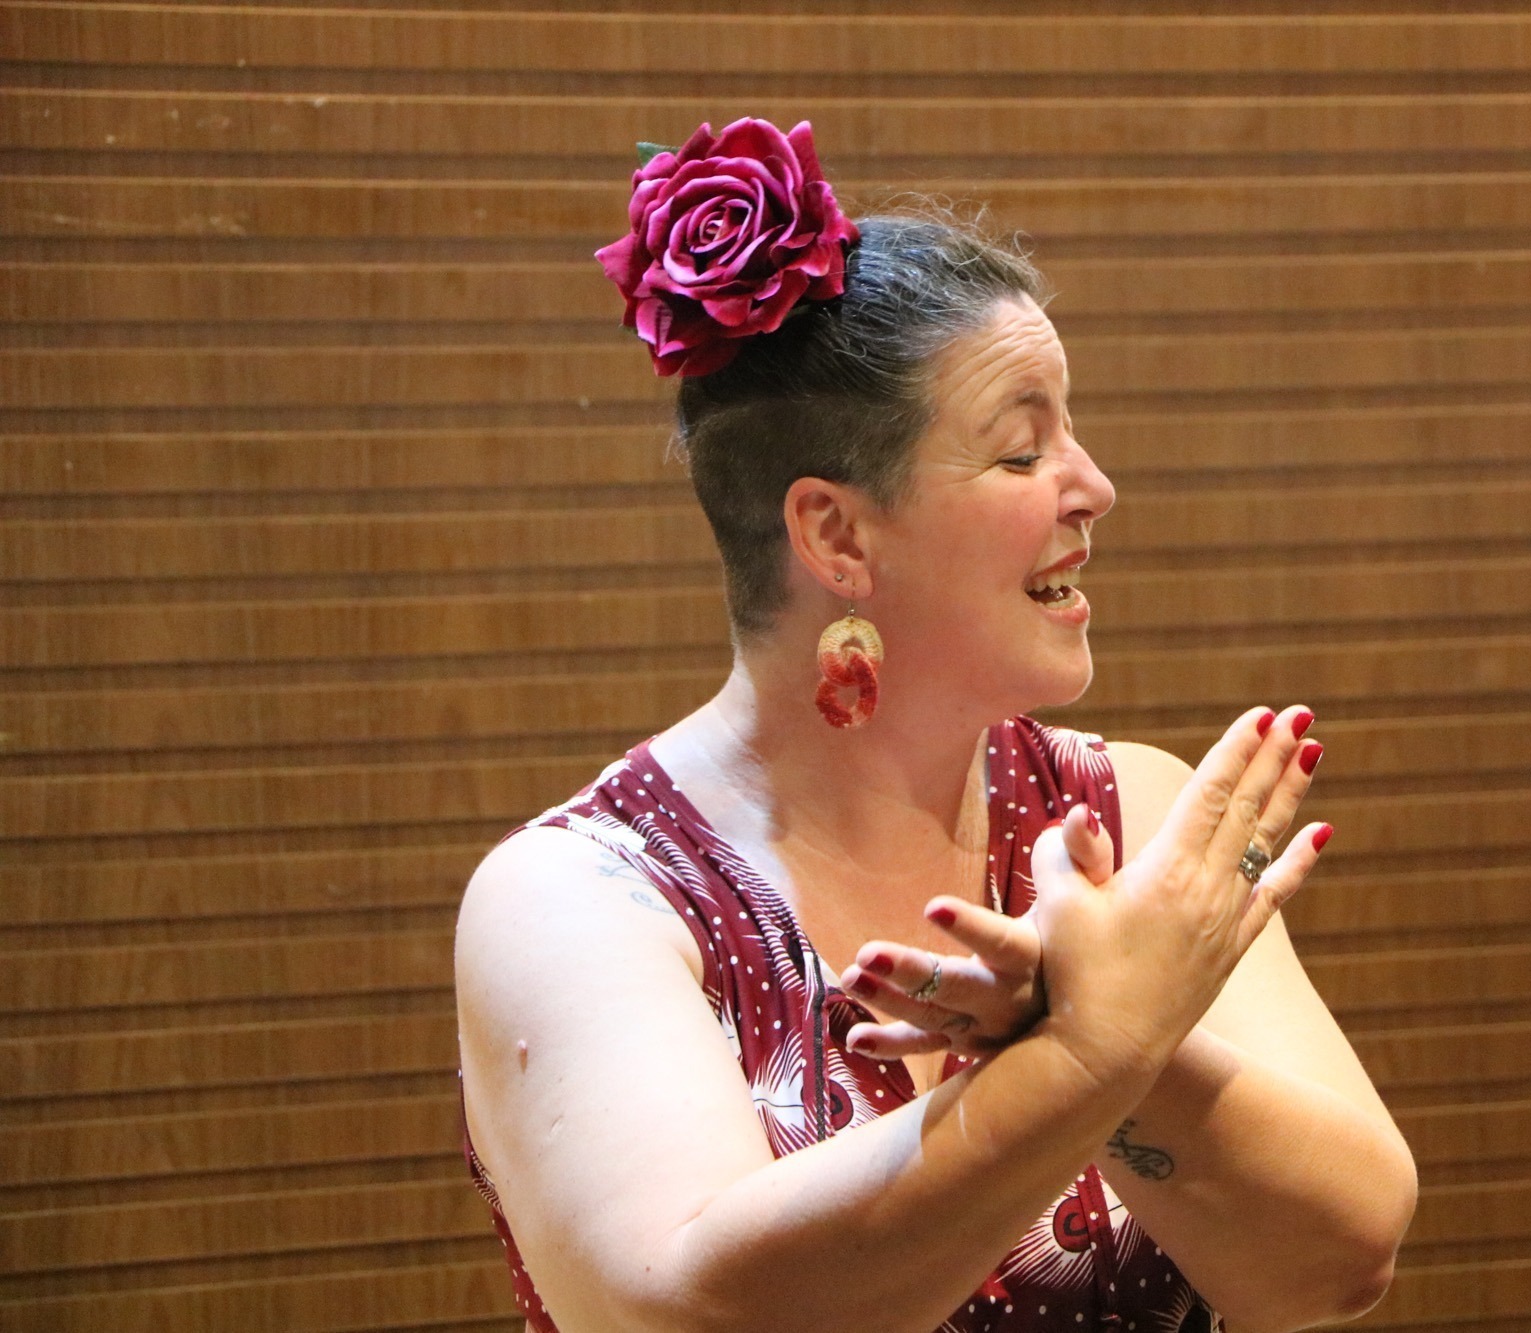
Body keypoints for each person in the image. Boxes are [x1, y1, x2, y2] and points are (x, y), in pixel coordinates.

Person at [454, 118, 1418, 1333]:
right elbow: (686, 1309)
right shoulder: (576, 897)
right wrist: (1084, 1055)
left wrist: (1128, 1055)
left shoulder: (1131, 814)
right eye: (1020, 451)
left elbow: (1337, 1266)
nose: (1092, 487)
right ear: (836, 535)